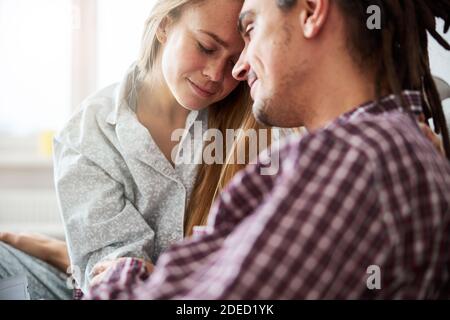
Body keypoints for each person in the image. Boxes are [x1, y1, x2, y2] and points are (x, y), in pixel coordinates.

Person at [84, 0, 450, 299]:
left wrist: (119, 275)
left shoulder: (354, 160)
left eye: (251, 28)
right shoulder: (375, 150)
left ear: (311, 12)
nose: (240, 68)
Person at [0, 0, 272, 299]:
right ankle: (68, 263)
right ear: (164, 25)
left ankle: (64, 258)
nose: (216, 73)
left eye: (235, 63)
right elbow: (117, 279)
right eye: (206, 47)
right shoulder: (88, 134)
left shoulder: (252, 127)